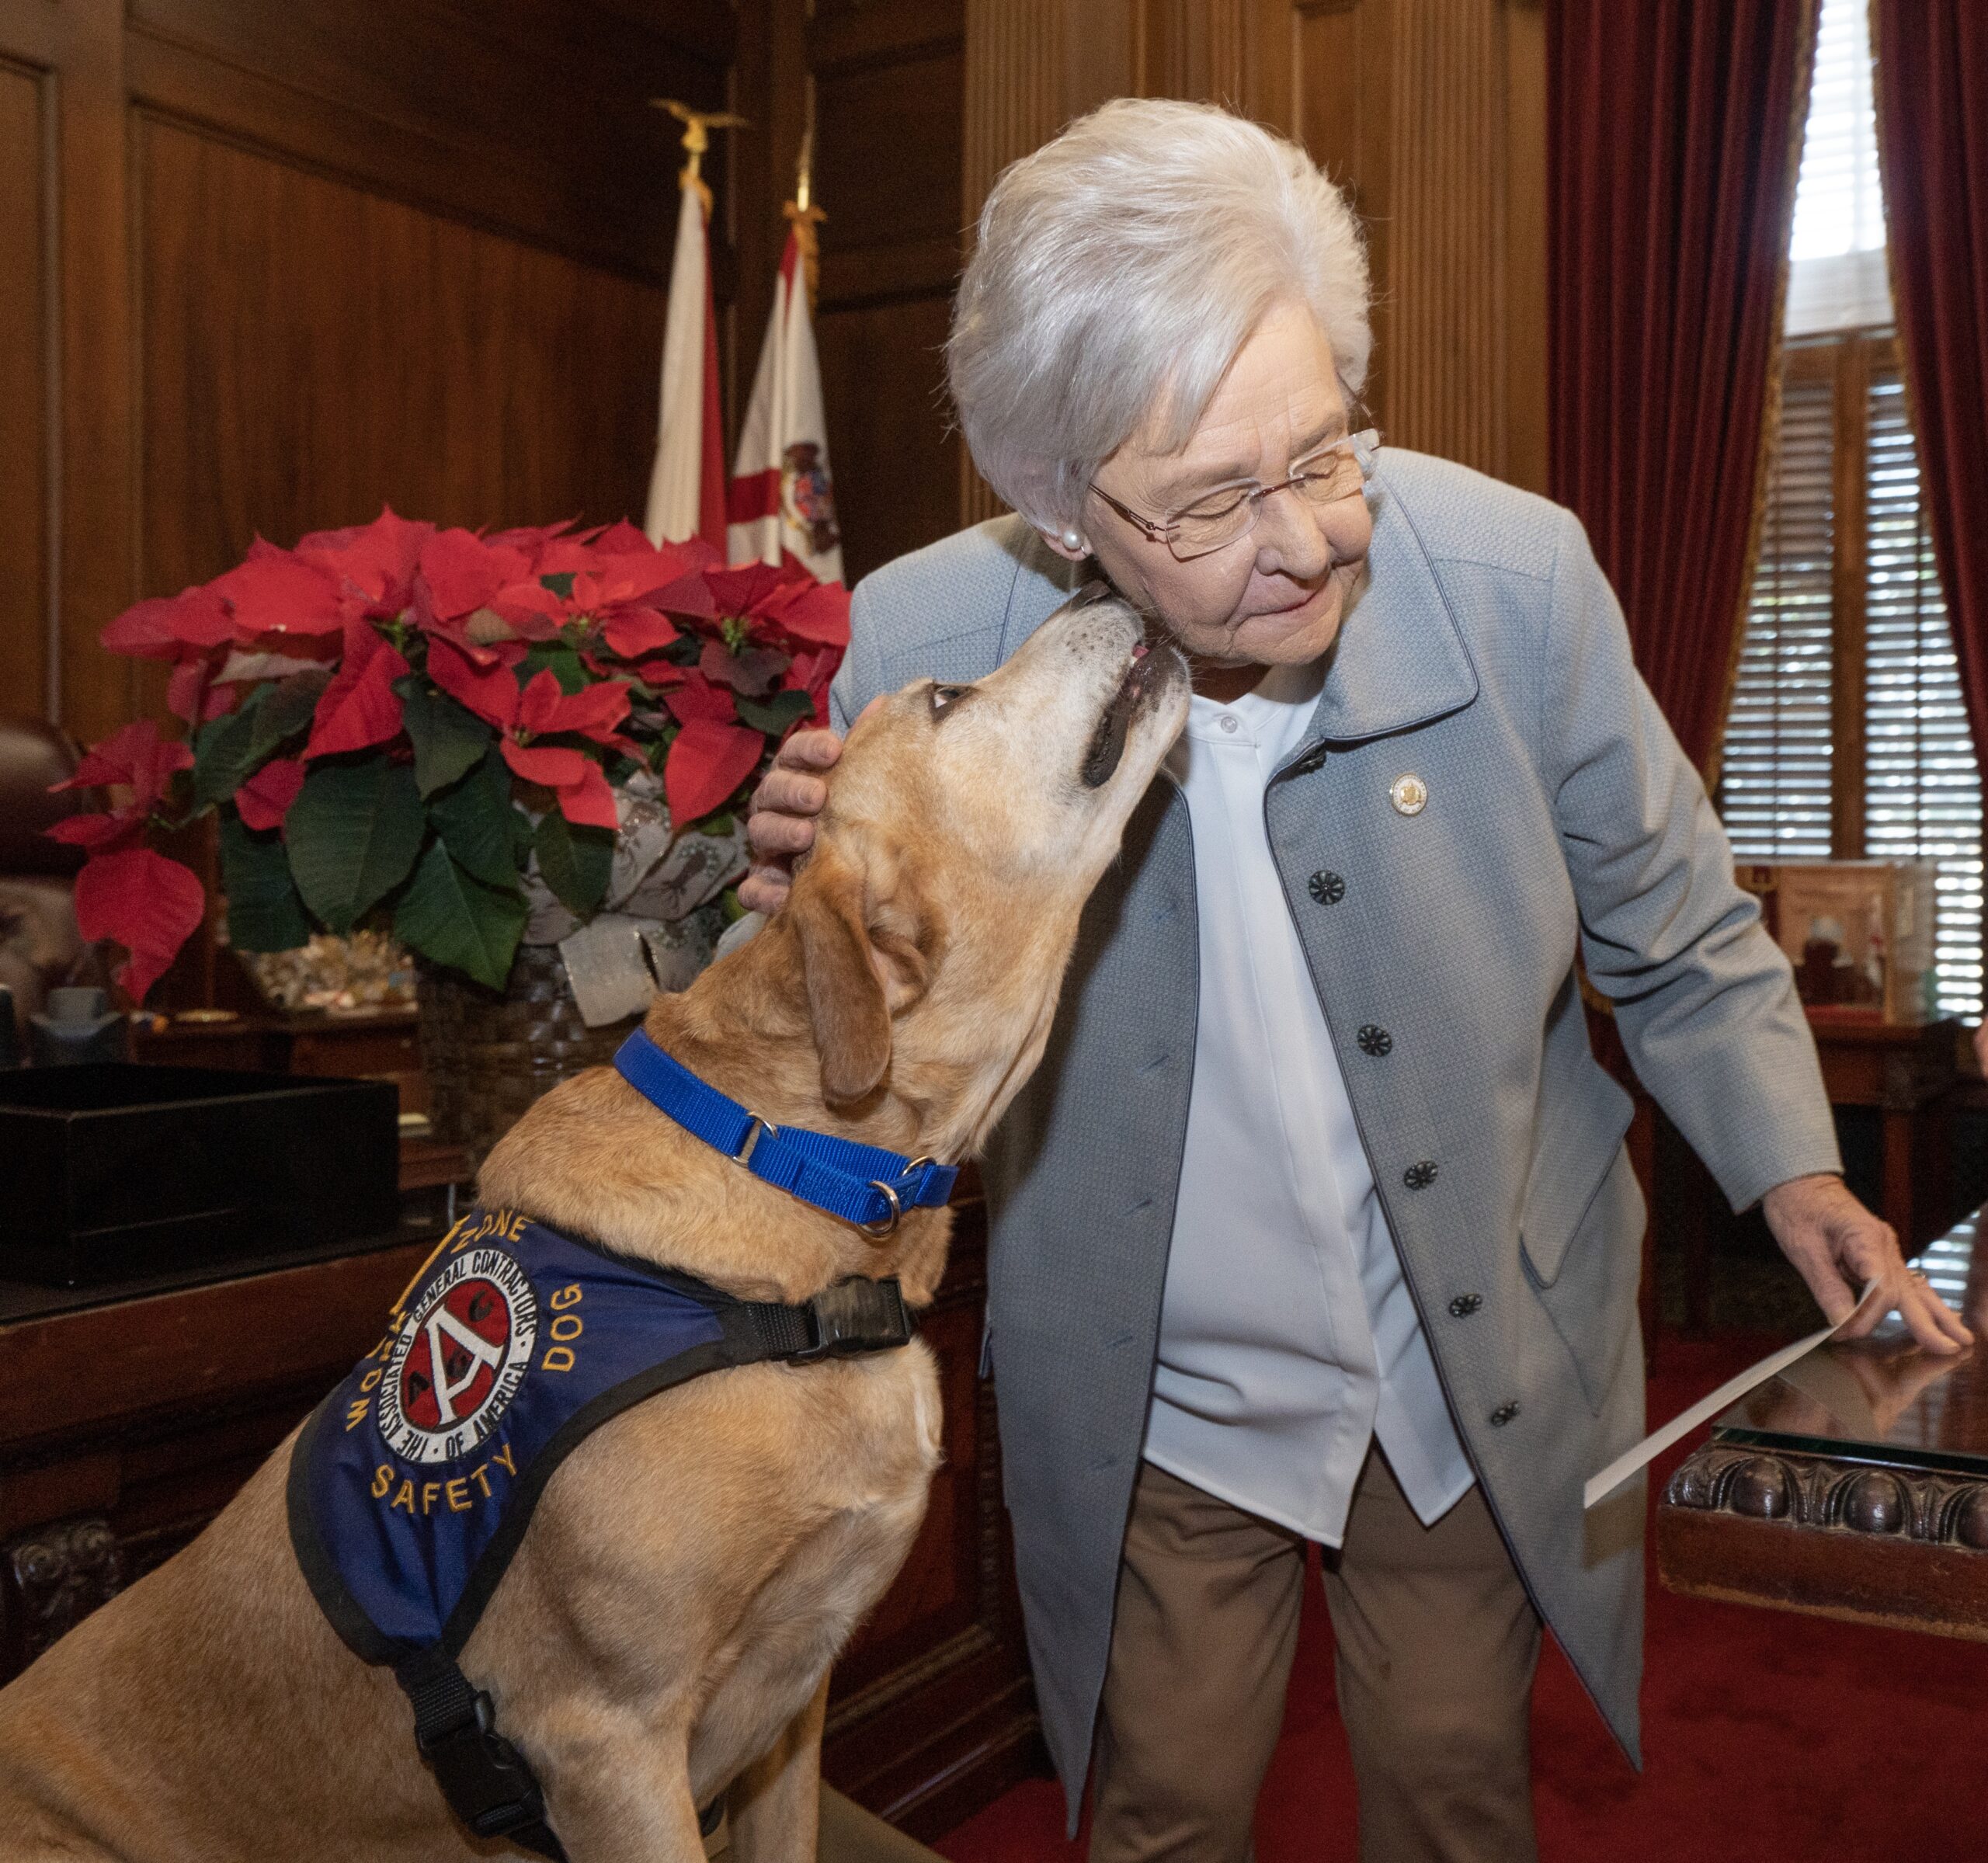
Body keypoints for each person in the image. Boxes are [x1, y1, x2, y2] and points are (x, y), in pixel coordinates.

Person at [739, 99, 1970, 1863]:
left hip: (1457, 1346)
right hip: (1162, 1376)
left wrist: (1794, 1176)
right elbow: (793, 1015)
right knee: (1158, 1806)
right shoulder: (918, 651)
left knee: (1452, 1795)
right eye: (1215, 502)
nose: (1308, 538)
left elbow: (1679, 930)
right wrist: (786, 892)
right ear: (1058, 508)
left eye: (1324, 454)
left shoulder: (1510, 579)